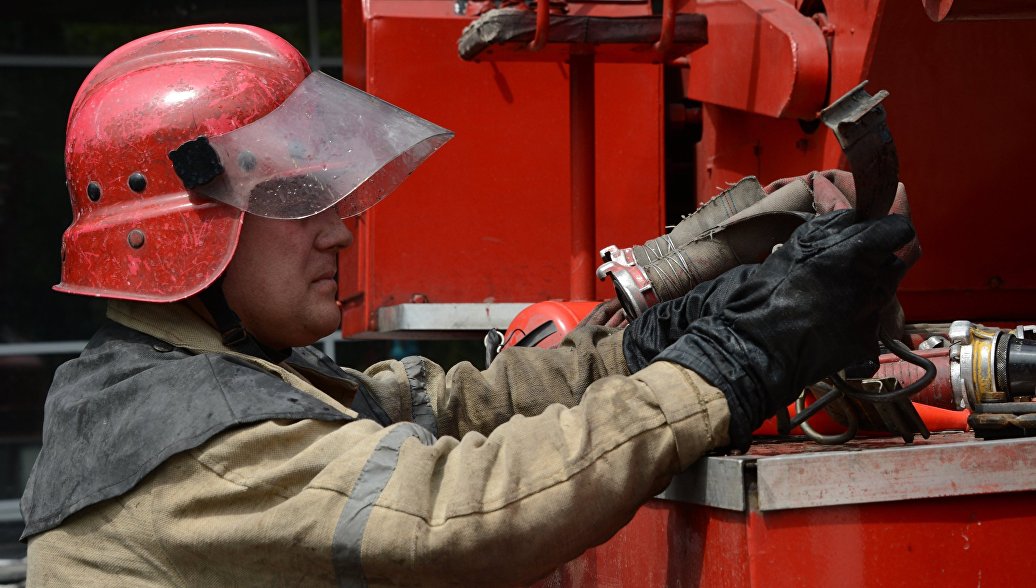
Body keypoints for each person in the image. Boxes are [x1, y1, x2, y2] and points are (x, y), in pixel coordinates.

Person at [21, 24, 914, 586]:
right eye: (296, 203)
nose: (338, 234)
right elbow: (456, 512)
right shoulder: (198, 448)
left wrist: (654, 343)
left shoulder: (198, 378)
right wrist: (733, 360)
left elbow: (447, 408)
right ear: (185, 236)